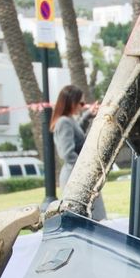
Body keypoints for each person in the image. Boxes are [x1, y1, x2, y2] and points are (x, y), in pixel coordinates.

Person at [52, 83, 105, 220]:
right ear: (71, 102)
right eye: (81, 103)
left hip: (77, 174)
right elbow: (67, 153)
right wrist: (87, 168)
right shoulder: (64, 122)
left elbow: (77, 134)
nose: (82, 106)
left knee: (92, 217)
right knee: (89, 218)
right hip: (75, 176)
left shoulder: (69, 120)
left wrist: (88, 115)